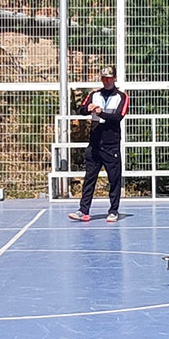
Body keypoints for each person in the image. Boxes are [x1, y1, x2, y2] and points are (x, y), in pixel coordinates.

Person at [70, 66, 129, 223]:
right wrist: (88, 109)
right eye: (104, 78)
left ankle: (113, 210)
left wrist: (100, 112)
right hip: (95, 143)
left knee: (114, 179)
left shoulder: (122, 97)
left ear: (115, 78)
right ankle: (83, 210)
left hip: (111, 144)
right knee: (89, 178)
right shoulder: (93, 94)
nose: (107, 80)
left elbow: (118, 117)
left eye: (109, 78)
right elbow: (81, 110)